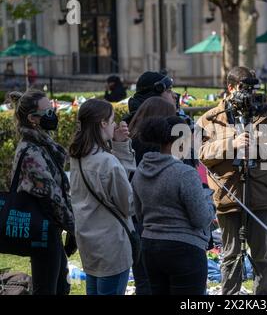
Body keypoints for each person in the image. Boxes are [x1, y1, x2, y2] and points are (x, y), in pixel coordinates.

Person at [197, 66, 267, 295]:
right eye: (244, 88)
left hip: (262, 196)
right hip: (228, 196)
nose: (249, 93)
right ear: (230, 87)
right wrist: (230, 145)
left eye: (253, 88)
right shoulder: (211, 118)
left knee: (262, 256)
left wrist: (259, 148)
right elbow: (201, 153)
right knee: (230, 255)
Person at [132, 116, 215, 295]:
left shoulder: (141, 171)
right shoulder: (185, 173)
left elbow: (139, 215)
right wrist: (208, 199)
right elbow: (201, 219)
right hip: (185, 250)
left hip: (150, 247)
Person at [69, 99, 136, 295]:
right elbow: (128, 205)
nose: (116, 124)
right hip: (112, 245)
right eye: (112, 120)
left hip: (89, 241)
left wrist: (118, 145)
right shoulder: (107, 162)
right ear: (103, 123)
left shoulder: (77, 155)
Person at [12, 89, 75, 295]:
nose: (53, 114)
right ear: (32, 119)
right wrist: (76, 228)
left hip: (51, 230)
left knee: (61, 286)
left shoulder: (42, 146)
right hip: (43, 231)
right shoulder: (31, 151)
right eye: (47, 111)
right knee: (49, 289)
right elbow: (52, 196)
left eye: (52, 109)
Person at [126, 96, 177, 295]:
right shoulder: (157, 150)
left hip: (136, 218)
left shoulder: (127, 141)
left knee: (144, 281)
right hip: (157, 220)